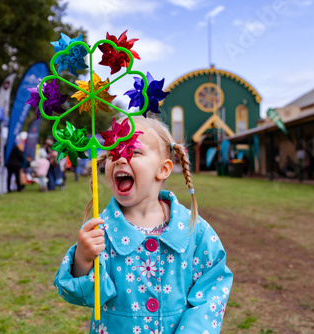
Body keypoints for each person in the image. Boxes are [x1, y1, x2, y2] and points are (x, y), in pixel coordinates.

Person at [54, 116, 233, 333]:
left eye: (133, 151)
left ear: (163, 169)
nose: (120, 158)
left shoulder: (194, 230)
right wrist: (82, 259)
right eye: (113, 152)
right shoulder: (102, 231)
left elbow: (212, 290)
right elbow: (86, 296)